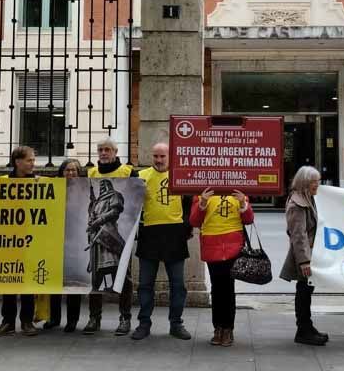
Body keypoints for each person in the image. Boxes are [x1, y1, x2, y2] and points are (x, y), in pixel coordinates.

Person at [132, 142, 192, 341]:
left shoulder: (181, 176)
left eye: (162, 156)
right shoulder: (141, 177)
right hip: (149, 233)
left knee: (178, 284)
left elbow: (190, 204)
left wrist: (187, 228)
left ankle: (176, 324)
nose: (158, 160)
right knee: (145, 284)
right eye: (155, 156)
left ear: (170, 157)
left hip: (175, 234)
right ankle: (144, 323)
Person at [84, 137, 138, 336]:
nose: (103, 153)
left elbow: (116, 211)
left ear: (115, 152)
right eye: (100, 150)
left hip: (112, 237)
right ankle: (94, 317)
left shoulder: (127, 173)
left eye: (107, 149)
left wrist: (98, 221)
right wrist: (92, 223)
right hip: (97, 240)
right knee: (96, 279)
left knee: (122, 276)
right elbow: (91, 213)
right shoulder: (91, 174)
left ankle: (125, 318)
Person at [189, 187, 254, 347]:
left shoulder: (238, 191)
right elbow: (194, 221)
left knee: (228, 288)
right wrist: (202, 202)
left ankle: (228, 328)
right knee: (217, 288)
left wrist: (242, 203)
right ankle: (218, 328)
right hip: (212, 245)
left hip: (233, 245)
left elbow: (249, 219)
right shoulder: (203, 191)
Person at [0, 146, 39, 338]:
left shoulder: (38, 182)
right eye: (29, 160)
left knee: (27, 282)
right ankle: (8, 321)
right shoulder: (3, 182)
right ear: (17, 162)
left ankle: (26, 321)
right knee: (8, 281)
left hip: (30, 239)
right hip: (8, 240)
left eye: (33, 160)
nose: (33, 164)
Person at [281, 166, 329, 346]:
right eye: (314, 181)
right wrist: (304, 261)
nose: (318, 184)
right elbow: (298, 235)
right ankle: (303, 329)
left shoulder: (308, 200)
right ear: (304, 183)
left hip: (310, 253)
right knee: (303, 292)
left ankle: (307, 327)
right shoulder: (297, 204)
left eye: (318, 180)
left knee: (306, 291)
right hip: (304, 256)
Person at [45, 158, 85, 331]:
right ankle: (54, 318)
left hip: (76, 241)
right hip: (55, 240)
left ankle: (72, 320)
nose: (70, 173)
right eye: (67, 170)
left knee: (73, 283)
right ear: (61, 173)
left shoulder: (85, 191)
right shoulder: (52, 188)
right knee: (54, 282)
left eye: (74, 170)